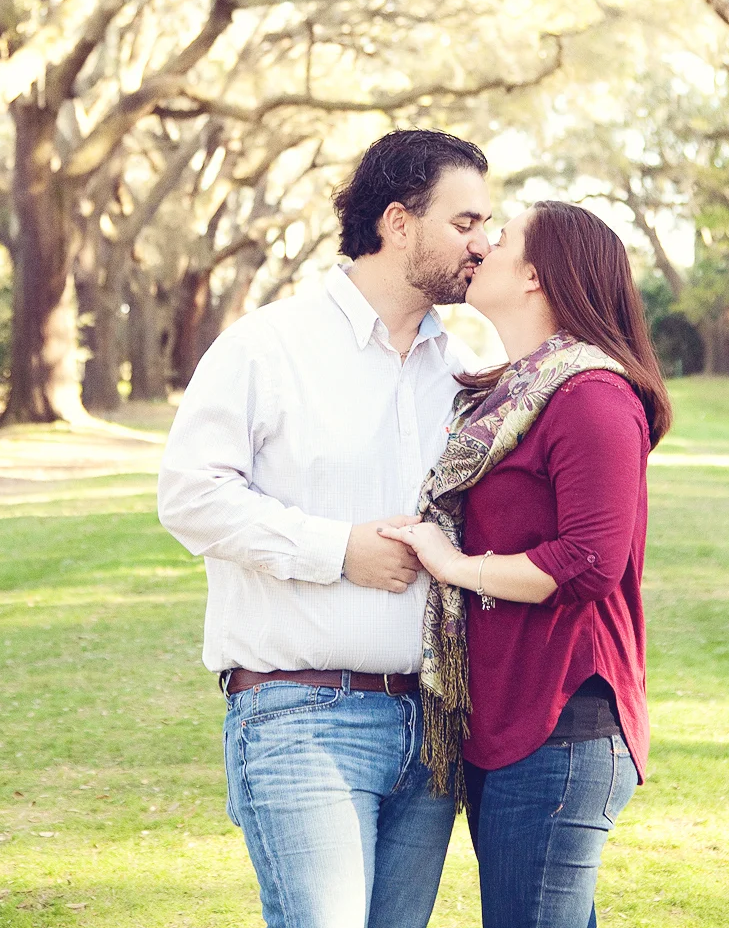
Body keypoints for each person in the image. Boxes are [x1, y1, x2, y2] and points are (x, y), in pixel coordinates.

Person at [156, 128, 493, 928]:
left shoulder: (466, 364)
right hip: (303, 716)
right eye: (466, 222)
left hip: (434, 726)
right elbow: (190, 494)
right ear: (398, 222)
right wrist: (337, 549)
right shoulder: (268, 346)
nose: (486, 243)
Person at [382, 201, 669, 928]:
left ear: (537, 274)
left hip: (563, 722)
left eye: (501, 238)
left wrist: (455, 564)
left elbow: (588, 562)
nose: (481, 245)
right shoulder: (513, 391)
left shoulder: (592, 395)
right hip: (511, 717)